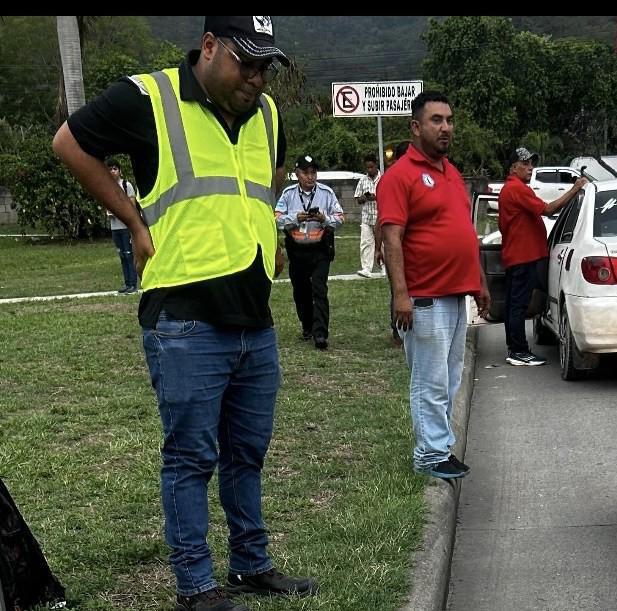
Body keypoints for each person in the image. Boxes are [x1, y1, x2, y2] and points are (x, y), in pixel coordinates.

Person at [52, 16, 315, 611]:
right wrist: (132, 220)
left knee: (247, 453)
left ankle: (251, 564)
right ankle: (196, 586)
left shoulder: (267, 115)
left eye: (265, 66)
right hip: (186, 319)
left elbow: (266, 177)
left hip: (254, 318)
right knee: (191, 457)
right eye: (245, 62)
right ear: (209, 47)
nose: (255, 77)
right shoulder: (150, 97)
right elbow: (69, 143)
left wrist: (264, 225)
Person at [377, 92, 490, 480]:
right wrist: (400, 295)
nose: (445, 128)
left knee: (450, 377)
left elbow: (464, 231)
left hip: (455, 296)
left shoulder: (451, 173)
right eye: (436, 120)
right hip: (423, 299)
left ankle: (440, 448)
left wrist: (479, 282)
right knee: (430, 380)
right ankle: (428, 455)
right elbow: (392, 238)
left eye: (449, 120)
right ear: (416, 127)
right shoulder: (400, 176)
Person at [498, 147, 587, 366]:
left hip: (517, 256)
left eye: (531, 164)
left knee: (513, 304)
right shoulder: (517, 189)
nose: (530, 168)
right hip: (523, 257)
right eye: (525, 164)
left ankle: (515, 348)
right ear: (513, 168)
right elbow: (548, 209)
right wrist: (576, 188)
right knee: (518, 305)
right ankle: (518, 350)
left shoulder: (513, 189)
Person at [276, 154, 344, 350]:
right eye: (305, 173)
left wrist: (324, 219)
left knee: (319, 290)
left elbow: (339, 218)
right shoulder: (288, 194)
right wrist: (296, 217)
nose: (310, 177)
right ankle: (307, 326)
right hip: (297, 251)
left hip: (320, 250)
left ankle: (320, 333)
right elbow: (277, 218)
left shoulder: (326, 193)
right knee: (301, 291)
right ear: (297, 174)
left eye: (313, 172)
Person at [385, 141, 411, 347]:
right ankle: (398, 330)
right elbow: (383, 223)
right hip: (397, 247)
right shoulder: (393, 179)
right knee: (397, 289)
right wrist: (379, 247)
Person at [105, 157, 140, 294]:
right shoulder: (106, 186)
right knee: (122, 256)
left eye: (115, 168)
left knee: (129, 254)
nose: (112, 171)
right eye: (110, 169)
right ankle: (127, 283)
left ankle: (133, 283)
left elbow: (132, 205)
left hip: (126, 226)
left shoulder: (126, 185)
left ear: (120, 171)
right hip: (115, 227)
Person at [354, 154, 384, 278]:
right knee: (366, 243)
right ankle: (366, 268)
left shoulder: (384, 178)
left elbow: (389, 196)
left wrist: (376, 197)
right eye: (367, 168)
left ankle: (384, 267)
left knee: (383, 244)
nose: (369, 170)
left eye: (371, 167)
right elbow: (357, 199)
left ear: (376, 165)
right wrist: (364, 198)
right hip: (367, 217)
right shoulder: (363, 180)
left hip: (380, 216)